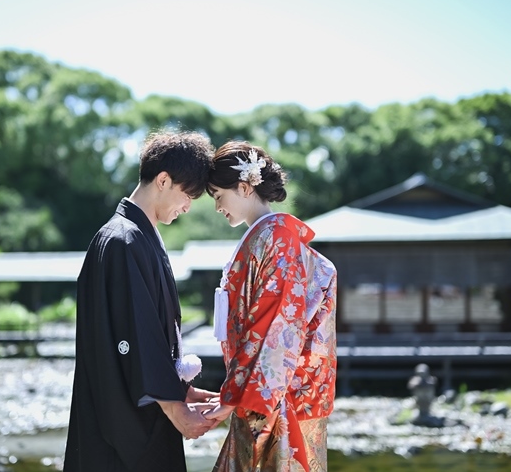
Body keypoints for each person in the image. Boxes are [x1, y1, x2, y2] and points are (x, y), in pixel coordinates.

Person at [64, 130, 219, 472]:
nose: (188, 207)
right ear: (163, 180)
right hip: (122, 425)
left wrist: (181, 390)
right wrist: (175, 408)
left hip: (140, 409)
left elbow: (153, 332)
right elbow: (136, 336)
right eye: (188, 194)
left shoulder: (136, 236)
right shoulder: (122, 240)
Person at [203, 141, 337, 472]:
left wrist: (233, 396)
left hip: (275, 393)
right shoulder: (268, 235)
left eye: (219, 195)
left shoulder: (276, 236)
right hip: (266, 387)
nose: (217, 206)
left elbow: (275, 324)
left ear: (245, 187)